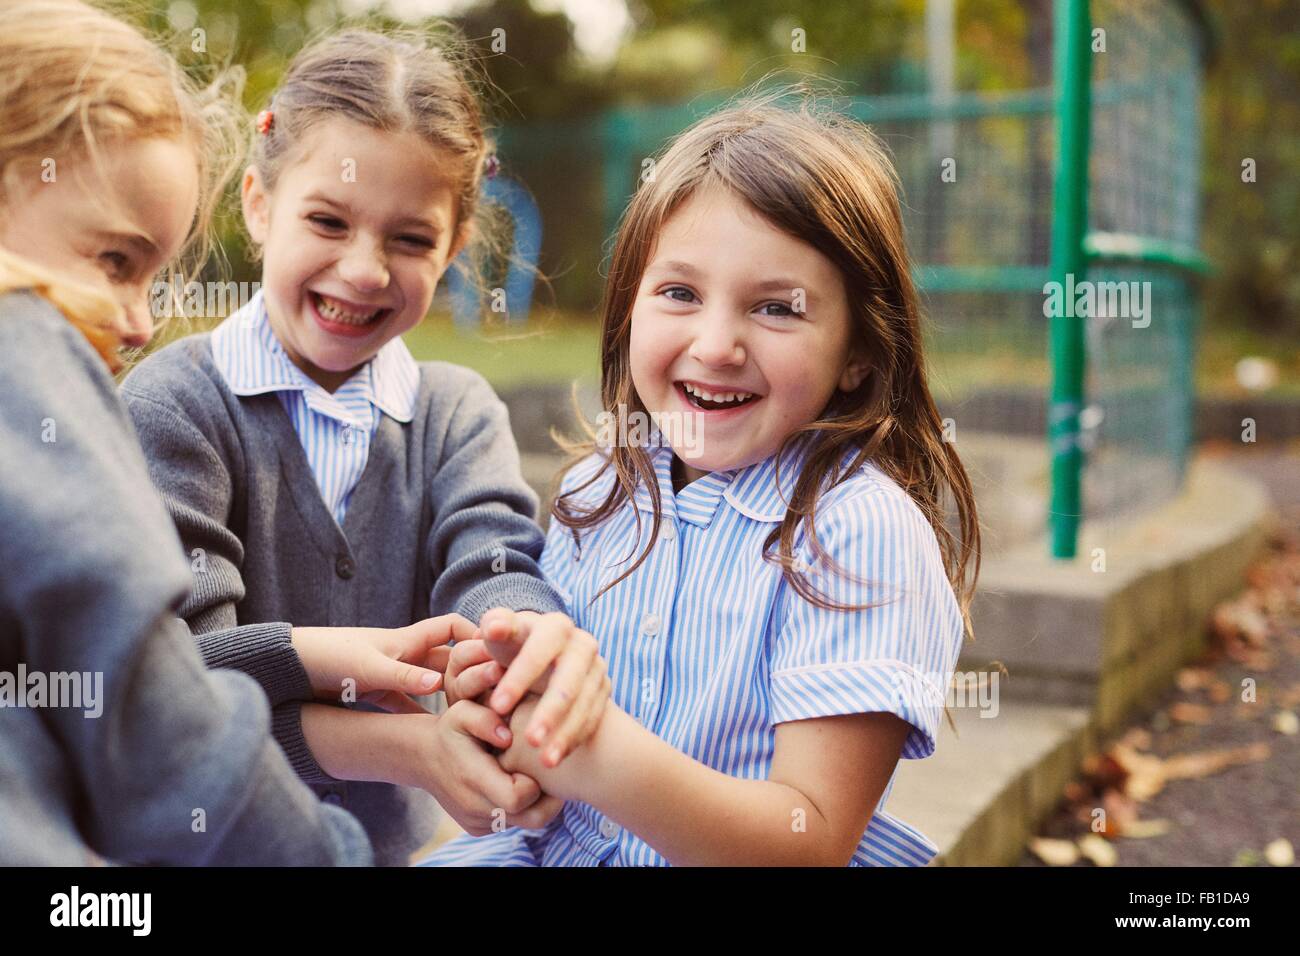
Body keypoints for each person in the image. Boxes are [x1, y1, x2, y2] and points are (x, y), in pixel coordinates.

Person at [425, 94, 982, 866]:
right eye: (680, 293)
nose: (716, 345)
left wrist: (590, 751)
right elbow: (537, 781)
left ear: (860, 352)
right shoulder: (599, 487)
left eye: (777, 309)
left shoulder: (859, 532)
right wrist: (496, 733)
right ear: (628, 310)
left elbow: (809, 838)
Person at [121, 26, 609, 866]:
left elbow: (496, 567)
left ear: (456, 247)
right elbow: (183, 680)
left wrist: (524, 646)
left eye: (410, 239)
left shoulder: (456, 413)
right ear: (259, 205)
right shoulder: (176, 404)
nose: (363, 270)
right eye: (328, 221)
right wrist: (413, 747)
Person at [0, 0, 369, 865]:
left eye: (156, 276)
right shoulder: (24, 343)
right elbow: (152, 711)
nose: (138, 320)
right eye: (115, 261)